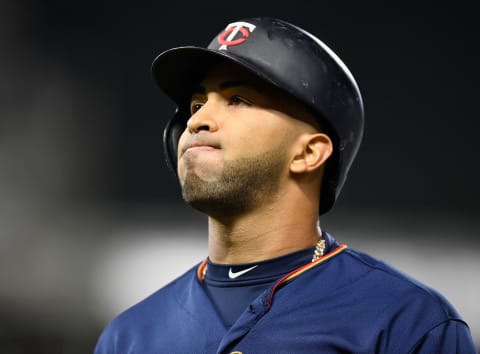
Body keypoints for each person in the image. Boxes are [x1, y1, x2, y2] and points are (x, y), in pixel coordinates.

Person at [95, 17, 477, 353]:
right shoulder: (129, 337)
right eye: (196, 105)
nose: (198, 121)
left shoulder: (407, 324)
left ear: (308, 153)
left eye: (239, 100)